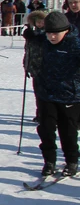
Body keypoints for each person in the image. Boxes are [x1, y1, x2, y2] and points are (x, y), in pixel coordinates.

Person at [23, 11, 80, 177]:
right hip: (46, 92)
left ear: (66, 31)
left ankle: (71, 161)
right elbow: (35, 39)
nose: (52, 37)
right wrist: (30, 36)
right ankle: (49, 161)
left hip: (70, 95)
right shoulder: (45, 40)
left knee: (68, 131)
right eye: (50, 34)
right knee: (46, 129)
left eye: (56, 34)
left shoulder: (75, 44)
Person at [22, 9, 48, 122]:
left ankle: (46, 115)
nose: (40, 23)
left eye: (42, 21)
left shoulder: (48, 34)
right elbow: (28, 51)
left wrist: (37, 38)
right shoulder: (31, 34)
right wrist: (26, 65)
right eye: (37, 21)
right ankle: (40, 113)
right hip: (34, 68)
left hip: (45, 68)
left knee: (46, 94)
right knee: (38, 93)